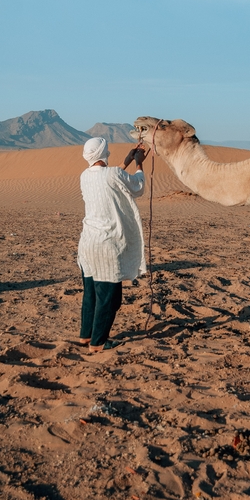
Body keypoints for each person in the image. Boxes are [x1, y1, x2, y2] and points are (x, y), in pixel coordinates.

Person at [76, 136, 147, 353]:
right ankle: (98, 343)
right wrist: (139, 163)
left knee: (91, 293)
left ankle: (86, 336)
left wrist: (125, 161)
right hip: (107, 245)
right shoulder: (114, 174)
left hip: (87, 244)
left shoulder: (84, 176)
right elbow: (138, 187)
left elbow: (108, 180)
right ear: (104, 153)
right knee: (109, 297)